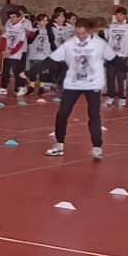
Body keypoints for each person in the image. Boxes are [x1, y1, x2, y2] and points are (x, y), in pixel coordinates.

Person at [46, 16, 109, 160]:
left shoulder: (99, 43)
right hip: (73, 83)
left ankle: (97, 147)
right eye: (78, 33)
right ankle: (59, 144)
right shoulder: (71, 43)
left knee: (93, 114)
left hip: (92, 83)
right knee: (62, 113)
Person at [102, 7, 128, 107]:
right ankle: (110, 98)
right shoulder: (110, 27)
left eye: (120, 14)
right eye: (117, 14)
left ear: (125, 15)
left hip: (122, 56)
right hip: (111, 56)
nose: (118, 16)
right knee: (110, 78)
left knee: (121, 78)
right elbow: (104, 39)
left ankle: (122, 98)